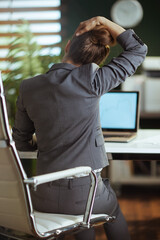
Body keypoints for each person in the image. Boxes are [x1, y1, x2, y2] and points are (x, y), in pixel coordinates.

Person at [13, 16, 147, 240]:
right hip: (84, 196)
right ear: (97, 60)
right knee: (107, 208)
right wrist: (101, 20)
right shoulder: (93, 81)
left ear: (67, 46)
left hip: (41, 194)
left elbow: (20, 141)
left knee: (84, 217)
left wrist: (46, 139)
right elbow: (138, 49)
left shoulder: (29, 87)